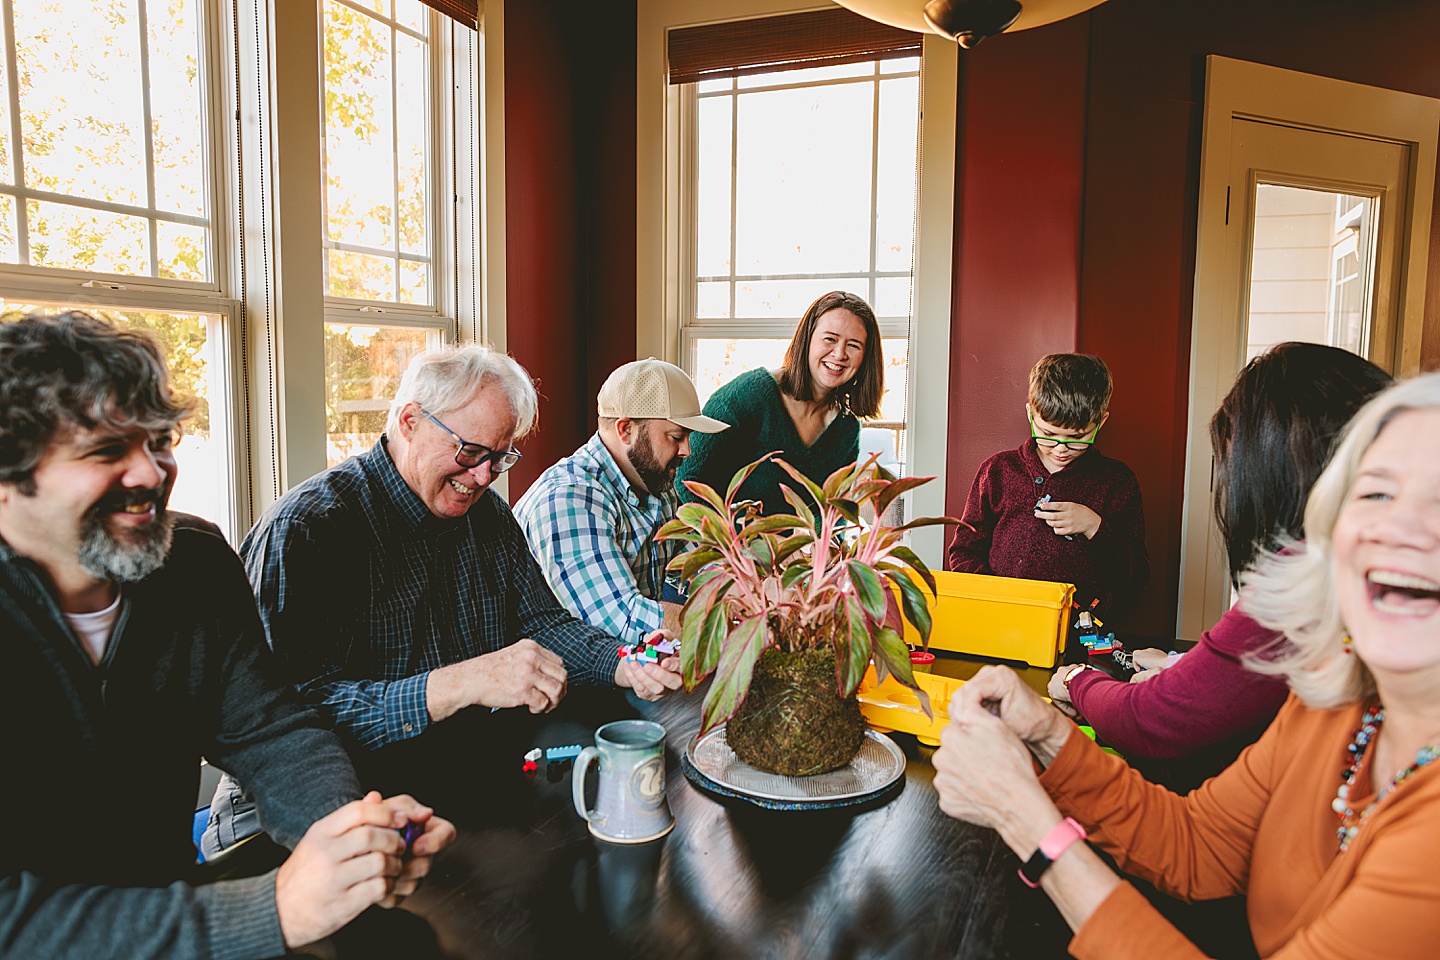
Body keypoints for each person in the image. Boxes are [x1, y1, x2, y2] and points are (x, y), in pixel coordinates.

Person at [932, 371, 1440, 960]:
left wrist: (1026, 820)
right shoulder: (1332, 704)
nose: (1399, 529)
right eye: (1375, 493)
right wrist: (1049, 734)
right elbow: (1197, 845)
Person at [0, 312, 453, 959]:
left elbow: (270, 729)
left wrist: (345, 837)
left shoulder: (194, 561)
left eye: (159, 441)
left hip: (182, 916)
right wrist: (277, 908)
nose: (152, 474)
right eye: (107, 452)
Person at [207, 344, 682, 844]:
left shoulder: (486, 516)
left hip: (443, 784)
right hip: (295, 818)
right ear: (410, 421)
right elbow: (282, 724)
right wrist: (455, 685)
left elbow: (542, 624)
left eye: (500, 458)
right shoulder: (307, 530)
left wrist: (622, 661)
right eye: (471, 452)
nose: (483, 477)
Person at [1047, 343, 1392, 778]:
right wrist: (1178, 667)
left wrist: (1078, 680)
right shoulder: (1351, 578)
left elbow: (1149, 720)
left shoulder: (1297, 596)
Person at [514, 358, 728, 642]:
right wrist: (735, 626)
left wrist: (746, 588)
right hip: (567, 672)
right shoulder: (569, 498)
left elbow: (698, 558)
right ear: (626, 429)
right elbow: (624, 620)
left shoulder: (654, 482)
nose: (687, 450)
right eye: (675, 436)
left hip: (632, 666)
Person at [946, 352, 1148, 620]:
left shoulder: (1117, 482)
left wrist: (1094, 527)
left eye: (1077, 437)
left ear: (1101, 423)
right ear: (1031, 413)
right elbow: (963, 552)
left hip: (1082, 637)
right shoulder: (998, 471)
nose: (1061, 449)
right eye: (1049, 435)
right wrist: (994, 601)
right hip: (998, 624)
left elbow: (1136, 578)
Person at [675, 290, 882, 516]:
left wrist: (823, 544)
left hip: (801, 550)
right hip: (724, 544)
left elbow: (833, 514)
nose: (839, 354)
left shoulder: (846, 429)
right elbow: (687, 480)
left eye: (853, 345)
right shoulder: (748, 396)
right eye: (830, 339)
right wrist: (744, 542)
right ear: (807, 340)